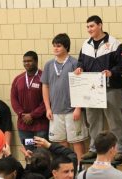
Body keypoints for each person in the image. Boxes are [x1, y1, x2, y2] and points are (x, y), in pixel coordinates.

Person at [74, 15, 122, 161]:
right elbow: (81, 62)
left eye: (92, 26)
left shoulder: (114, 43)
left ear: (100, 25)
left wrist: (112, 72)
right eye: (87, 27)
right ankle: (94, 148)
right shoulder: (86, 45)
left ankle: (120, 149)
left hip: (111, 88)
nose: (89, 29)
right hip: (91, 89)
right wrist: (79, 68)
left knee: (115, 121)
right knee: (93, 120)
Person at [41, 33, 88, 162]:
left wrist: (78, 107)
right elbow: (45, 86)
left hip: (72, 110)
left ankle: (79, 170)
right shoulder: (49, 65)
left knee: (77, 142)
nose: (55, 48)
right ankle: (66, 170)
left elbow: (81, 86)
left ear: (66, 47)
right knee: (61, 144)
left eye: (59, 46)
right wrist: (47, 108)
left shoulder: (74, 63)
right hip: (55, 111)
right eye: (54, 46)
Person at [11, 51, 48, 151]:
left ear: (36, 62)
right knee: (29, 152)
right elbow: (14, 99)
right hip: (24, 125)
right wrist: (22, 114)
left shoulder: (44, 77)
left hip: (41, 125)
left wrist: (32, 115)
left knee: (41, 153)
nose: (26, 63)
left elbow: (47, 100)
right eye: (24, 61)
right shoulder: (18, 79)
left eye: (29, 61)